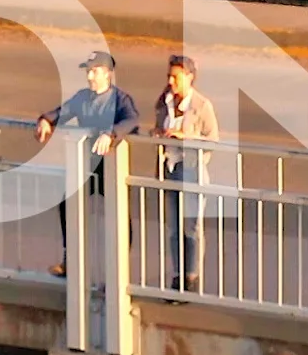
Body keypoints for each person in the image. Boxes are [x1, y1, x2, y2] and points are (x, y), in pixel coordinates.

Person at [36, 50, 136, 277]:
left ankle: (120, 268)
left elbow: (132, 120)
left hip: (111, 168)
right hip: (87, 166)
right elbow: (62, 112)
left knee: (119, 215)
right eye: (88, 71)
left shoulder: (120, 99)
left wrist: (111, 133)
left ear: (108, 74)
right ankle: (69, 261)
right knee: (67, 204)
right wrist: (45, 120)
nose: (90, 76)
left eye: (95, 71)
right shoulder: (82, 97)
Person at [144, 51, 217, 290]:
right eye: (169, 76)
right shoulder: (163, 101)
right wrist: (157, 134)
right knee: (174, 226)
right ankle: (177, 275)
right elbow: (157, 127)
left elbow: (213, 140)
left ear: (190, 77)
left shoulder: (201, 106)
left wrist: (186, 137)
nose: (171, 82)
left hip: (192, 169)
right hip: (170, 167)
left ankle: (192, 277)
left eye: (176, 77)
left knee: (191, 226)